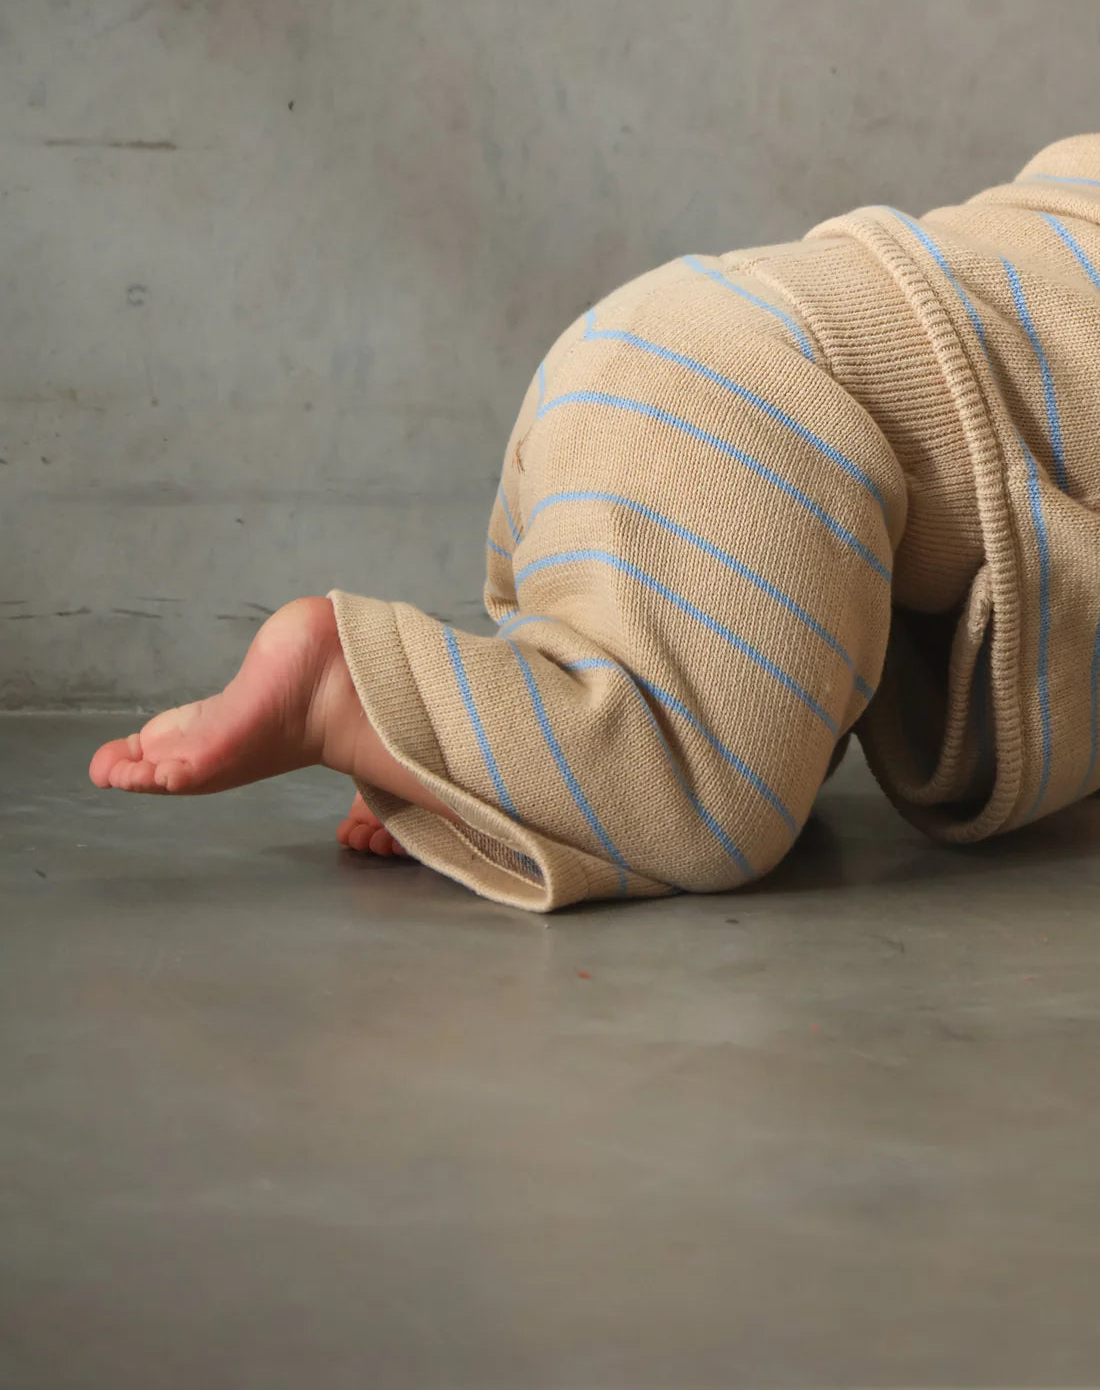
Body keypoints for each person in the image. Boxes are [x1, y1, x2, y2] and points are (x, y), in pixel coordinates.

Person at [90, 136, 1100, 911]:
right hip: (746, 418)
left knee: (673, 667)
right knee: (705, 796)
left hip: (655, 344)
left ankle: (474, 754)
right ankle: (342, 689)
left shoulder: (1052, 224)